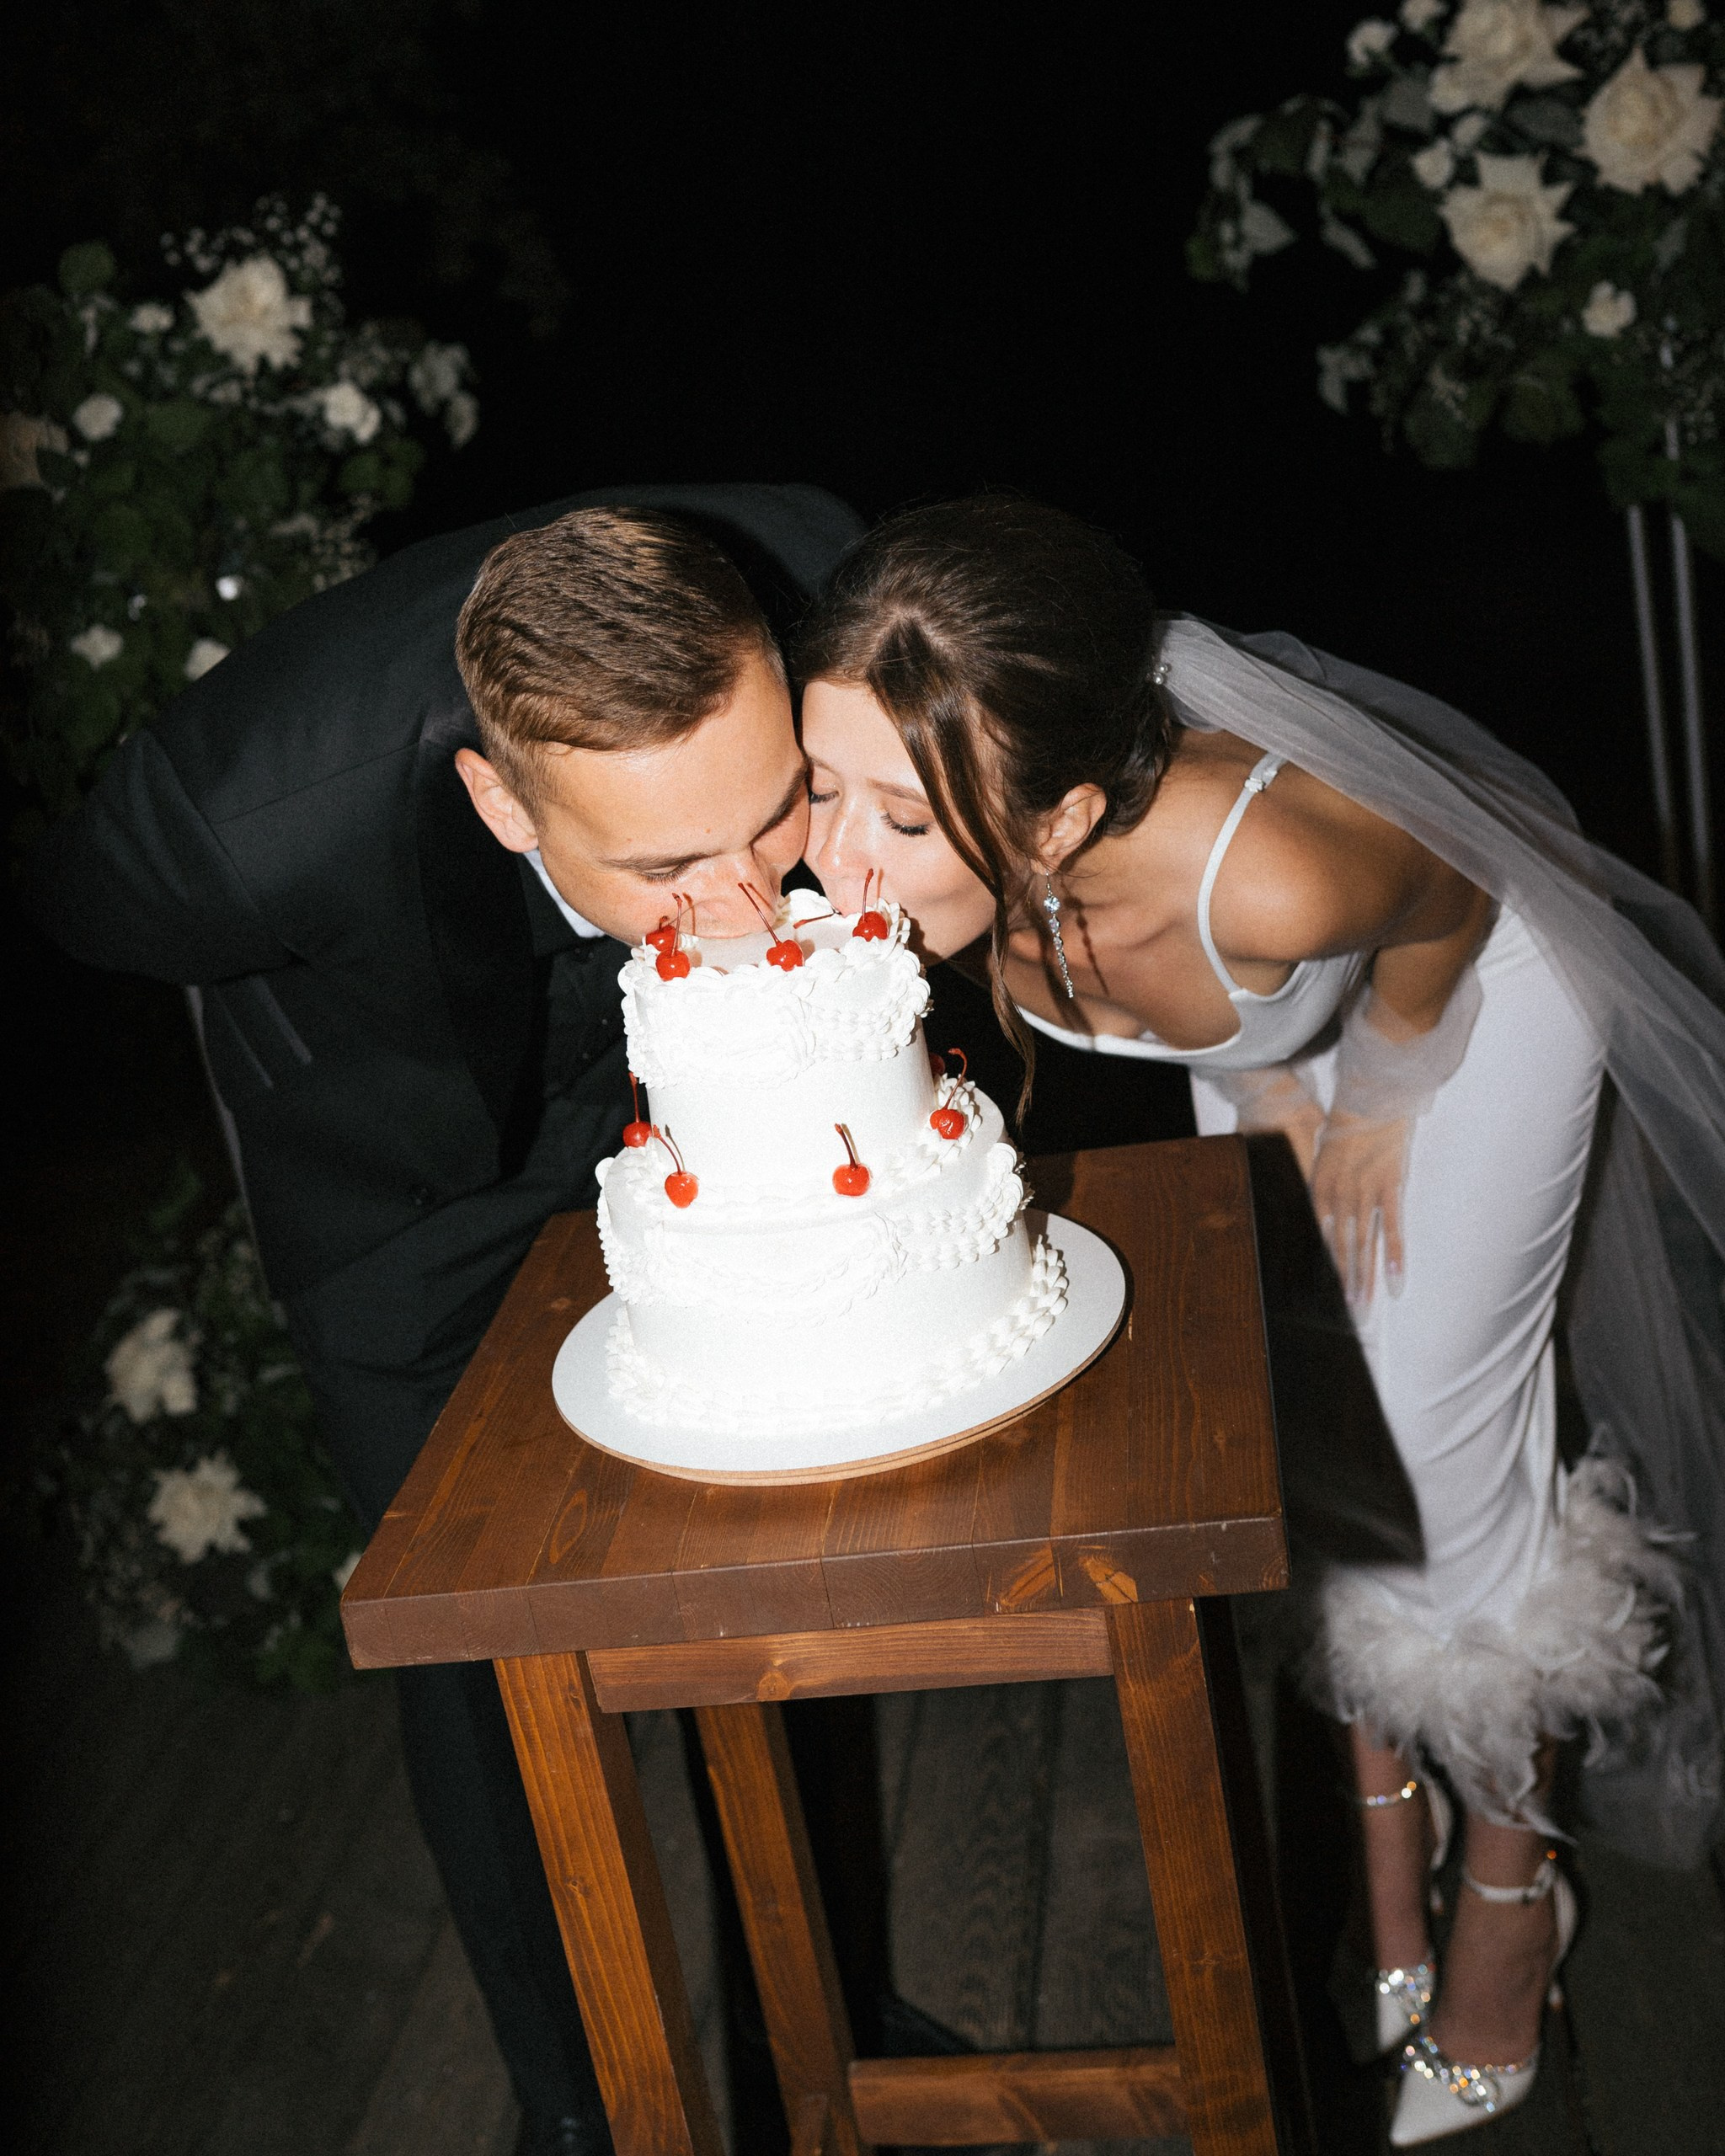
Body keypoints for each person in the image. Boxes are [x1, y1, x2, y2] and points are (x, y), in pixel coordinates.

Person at [793, 494, 1725, 2147]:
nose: (834, 857)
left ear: (1065, 814)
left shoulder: (1276, 872)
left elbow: (1442, 895)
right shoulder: (969, 867)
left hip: (1471, 1000)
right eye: (819, 785)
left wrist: (1374, 1087)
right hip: (1284, 1042)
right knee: (1300, 1408)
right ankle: (1383, 1805)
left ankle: (1512, 1905)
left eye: (899, 817)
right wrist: (1271, 1075)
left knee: (1442, 1451)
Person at [24, 482, 862, 2156]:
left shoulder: (827, 569)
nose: (752, 906)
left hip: (701, 1107)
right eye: (670, 860)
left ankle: (830, 2034)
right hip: (400, 1190)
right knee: (474, 1641)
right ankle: (571, 2096)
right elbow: (79, 904)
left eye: (773, 816)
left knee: (774, 1552)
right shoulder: (234, 826)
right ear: (495, 797)